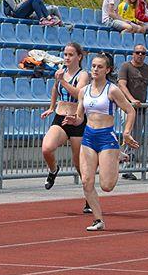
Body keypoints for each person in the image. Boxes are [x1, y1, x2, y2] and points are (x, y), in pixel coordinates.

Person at [62, 54, 139, 231]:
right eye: (93, 66)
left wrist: (126, 133)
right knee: (86, 181)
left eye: (99, 67)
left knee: (107, 186)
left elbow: (130, 111)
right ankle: (98, 220)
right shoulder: (83, 91)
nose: (95, 69)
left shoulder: (112, 90)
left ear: (107, 70)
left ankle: (116, 156)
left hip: (106, 138)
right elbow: (80, 116)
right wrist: (75, 120)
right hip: (88, 137)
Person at [40, 42, 92, 212]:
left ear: (79, 56)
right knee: (47, 148)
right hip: (61, 117)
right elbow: (55, 89)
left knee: (79, 164)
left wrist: (62, 80)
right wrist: (51, 107)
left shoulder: (83, 75)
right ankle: (53, 170)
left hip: (77, 120)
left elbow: (79, 94)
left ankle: (89, 199)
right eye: (65, 55)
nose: (67, 58)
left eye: (70, 55)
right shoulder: (60, 73)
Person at [117, 45, 148, 180]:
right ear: (133, 53)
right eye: (138, 52)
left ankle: (128, 165)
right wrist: (131, 99)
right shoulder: (126, 66)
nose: (140, 55)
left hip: (140, 109)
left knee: (136, 137)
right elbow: (121, 84)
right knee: (128, 134)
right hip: (126, 107)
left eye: (143, 53)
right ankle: (125, 164)